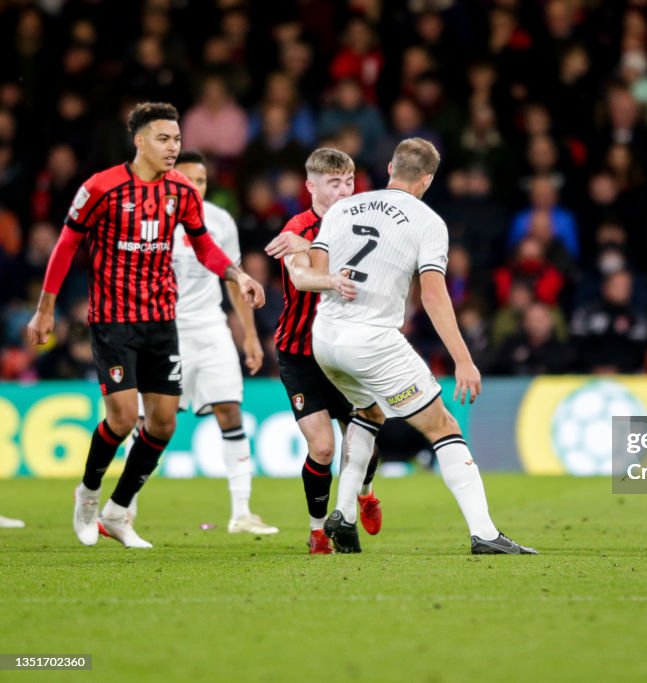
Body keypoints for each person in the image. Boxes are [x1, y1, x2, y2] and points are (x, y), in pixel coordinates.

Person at [26, 102, 265, 549]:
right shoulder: (101, 187)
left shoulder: (182, 191)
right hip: (114, 319)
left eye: (176, 139)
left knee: (162, 425)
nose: (173, 147)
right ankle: (88, 494)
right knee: (120, 418)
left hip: (161, 320)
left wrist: (238, 275)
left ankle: (118, 511)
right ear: (139, 141)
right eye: (163, 139)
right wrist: (46, 308)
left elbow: (204, 247)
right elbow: (65, 245)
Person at [307, 138, 535, 554]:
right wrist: (464, 360)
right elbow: (432, 295)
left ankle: (343, 512)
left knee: (368, 411)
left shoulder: (342, 207)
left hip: (325, 336)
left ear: (391, 165)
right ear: (428, 179)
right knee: (443, 426)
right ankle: (484, 534)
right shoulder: (428, 222)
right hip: (371, 339)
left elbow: (318, 272)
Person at [117, 151, 278, 536]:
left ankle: (242, 512)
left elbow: (234, 280)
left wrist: (251, 336)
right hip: (162, 331)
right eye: (188, 181)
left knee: (230, 411)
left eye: (202, 181)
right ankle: (123, 509)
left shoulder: (219, 221)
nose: (195, 187)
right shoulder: (150, 218)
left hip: (210, 329)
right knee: (148, 422)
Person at [263, 148, 382, 555]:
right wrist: (331, 279)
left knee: (362, 442)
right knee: (325, 448)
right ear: (311, 186)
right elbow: (300, 276)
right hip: (300, 353)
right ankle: (317, 531)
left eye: (349, 182)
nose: (345, 191)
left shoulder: (364, 223)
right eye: (335, 183)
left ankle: (365, 493)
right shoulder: (297, 227)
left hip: (346, 350)